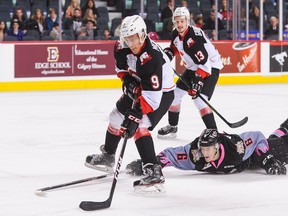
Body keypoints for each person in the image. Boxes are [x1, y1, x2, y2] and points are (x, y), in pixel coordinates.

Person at [84, 15, 176, 193]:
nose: (131, 43)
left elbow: (152, 98)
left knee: (139, 125)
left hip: (161, 94)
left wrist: (136, 114)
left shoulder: (152, 57)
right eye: (127, 39)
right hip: (139, 86)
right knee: (115, 117)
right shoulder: (120, 47)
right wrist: (127, 81)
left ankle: (153, 171)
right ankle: (108, 156)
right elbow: (121, 69)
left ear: (142, 34)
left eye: (133, 38)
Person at [126, 119, 288, 176]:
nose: (205, 153)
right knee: (276, 139)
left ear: (217, 147)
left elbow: (257, 137)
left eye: (209, 149)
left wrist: (268, 160)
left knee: (281, 146)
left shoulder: (236, 148)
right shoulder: (195, 155)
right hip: (245, 164)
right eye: (203, 148)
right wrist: (148, 164)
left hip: (253, 156)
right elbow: (169, 156)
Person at [157, 7, 223, 138]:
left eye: (182, 21)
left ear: (188, 21)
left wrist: (198, 81)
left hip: (210, 67)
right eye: (177, 21)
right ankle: (173, 126)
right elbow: (175, 47)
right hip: (194, 67)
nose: (179, 24)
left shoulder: (194, 38)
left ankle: (213, 133)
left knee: (199, 100)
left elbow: (205, 64)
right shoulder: (176, 33)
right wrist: (168, 55)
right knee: (175, 95)